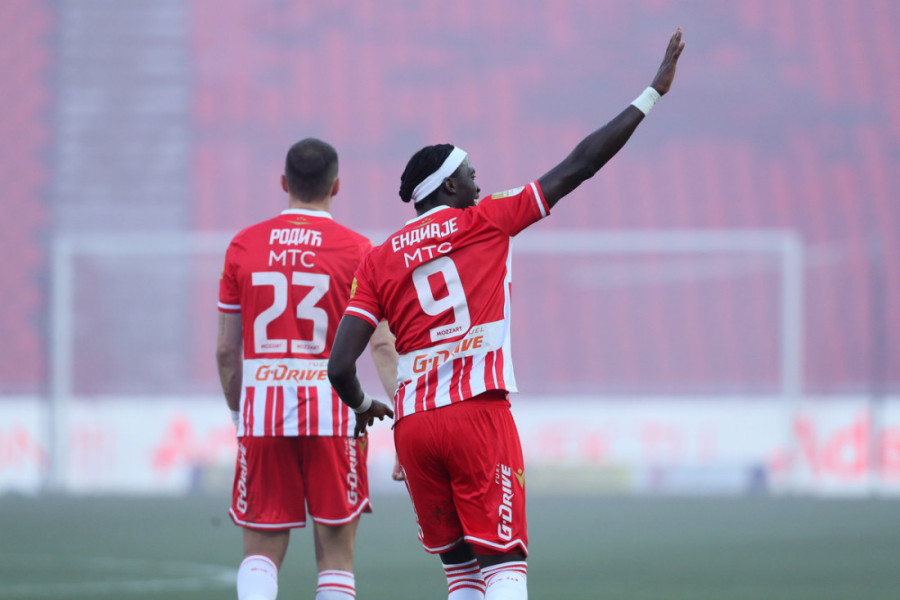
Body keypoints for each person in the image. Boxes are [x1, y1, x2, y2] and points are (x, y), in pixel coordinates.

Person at [328, 29, 685, 600]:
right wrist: (652, 93)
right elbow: (579, 165)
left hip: (415, 427)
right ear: (449, 185)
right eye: (471, 173)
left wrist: (365, 405)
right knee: (503, 565)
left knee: (462, 574)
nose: (480, 181)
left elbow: (339, 365)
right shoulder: (487, 219)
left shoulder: (378, 258)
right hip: (477, 414)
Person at [216, 138, 398, 600]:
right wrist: (405, 421)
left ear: (284, 183)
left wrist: (239, 415)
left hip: (263, 416)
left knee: (260, 551)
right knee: (336, 558)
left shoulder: (244, 245)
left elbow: (226, 352)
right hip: (335, 417)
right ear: (336, 186)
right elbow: (382, 344)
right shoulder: (359, 250)